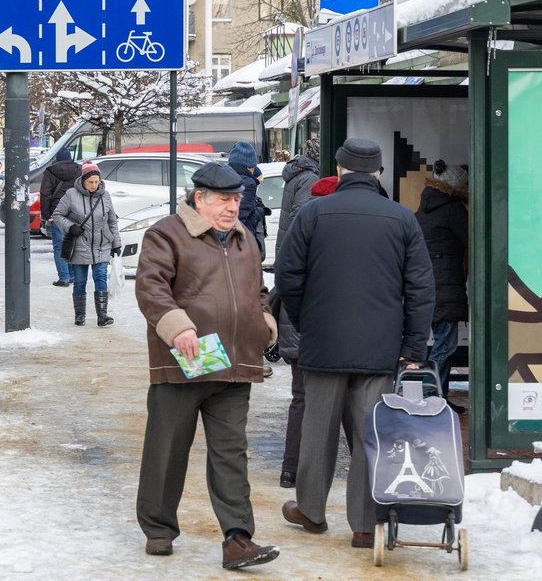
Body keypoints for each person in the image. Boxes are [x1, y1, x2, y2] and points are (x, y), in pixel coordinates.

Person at [275, 138, 434, 549]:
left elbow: (288, 276)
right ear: (379, 173)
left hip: (323, 343)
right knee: (370, 434)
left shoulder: (312, 213)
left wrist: (307, 319)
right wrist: (413, 345)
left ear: (340, 170)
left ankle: (310, 509)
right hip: (380, 348)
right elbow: (420, 287)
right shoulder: (401, 218)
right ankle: (365, 524)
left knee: (317, 429)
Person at [134, 162, 280, 570]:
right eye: (223, 200)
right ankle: (159, 529)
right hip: (184, 362)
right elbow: (151, 287)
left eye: (237, 199)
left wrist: (263, 322)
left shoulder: (244, 239)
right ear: (199, 199)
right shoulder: (166, 233)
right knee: (167, 449)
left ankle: (238, 538)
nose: (232, 207)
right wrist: (178, 326)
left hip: (235, 366)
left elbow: (258, 290)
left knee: (232, 453)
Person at [274, 172, 338, 490]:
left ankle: (290, 468)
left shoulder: (299, 226)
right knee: (327, 402)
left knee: (300, 399)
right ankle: (314, 473)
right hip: (316, 332)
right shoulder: (329, 230)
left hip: (295, 330)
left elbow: (285, 278)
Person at [416, 160, 469, 400]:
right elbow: (474, 240)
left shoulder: (426, 206)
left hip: (426, 285)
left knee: (438, 342)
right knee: (445, 346)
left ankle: (438, 397)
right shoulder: (453, 210)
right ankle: (432, 396)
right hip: (445, 287)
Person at [52, 161, 121, 327]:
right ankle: (80, 315)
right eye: (90, 182)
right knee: (80, 281)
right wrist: (71, 227)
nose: (94, 185)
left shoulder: (105, 196)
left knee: (100, 278)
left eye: (97, 182)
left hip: (101, 244)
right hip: (80, 245)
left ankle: (102, 316)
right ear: (83, 180)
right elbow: (57, 215)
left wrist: (116, 243)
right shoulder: (71, 195)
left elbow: (112, 221)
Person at [40, 147, 81, 287]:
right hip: (75, 212)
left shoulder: (50, 172)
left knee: (60, 246)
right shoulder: (79, 170)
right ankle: (74, 276)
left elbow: (45, 194)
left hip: (57, 212)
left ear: (57, 159)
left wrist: (46, 214)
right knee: (73, 244)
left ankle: (64, 278)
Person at [275, 138, 320, 257]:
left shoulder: (299, 172)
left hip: (287, 244)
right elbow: (300, 215)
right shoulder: (310, 179)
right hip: (296, 250)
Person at [227, 141, 266, 260]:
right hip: (242, 242)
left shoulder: (226, 176)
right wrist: (259, 212)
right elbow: (239, 216)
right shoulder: (248, 183)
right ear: (249, 167)